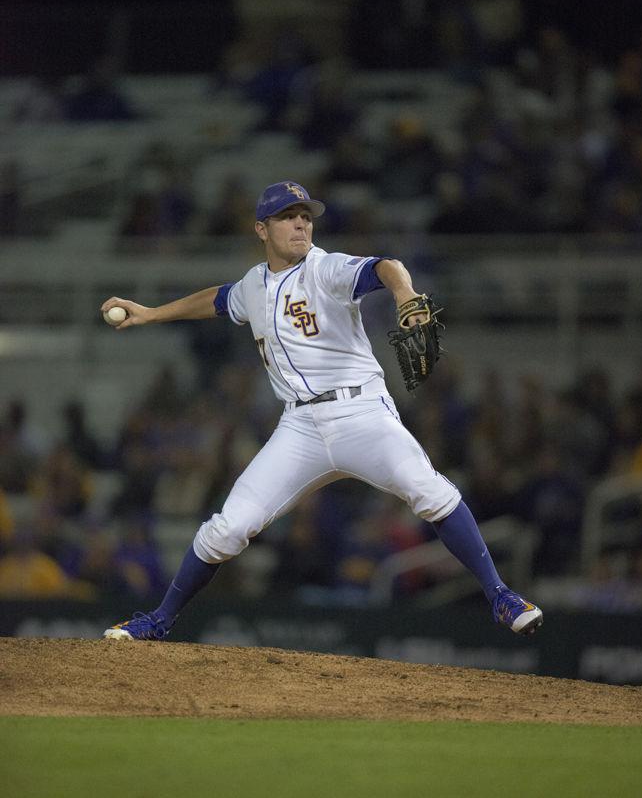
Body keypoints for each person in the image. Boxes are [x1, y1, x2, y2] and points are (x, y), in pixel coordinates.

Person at [102, 180, 543, 641]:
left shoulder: (326, 269)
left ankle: (500, 596)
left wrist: (404, 294)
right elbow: (218, 299)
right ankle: (159, 619)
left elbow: (386, 267)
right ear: (261, 229)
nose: (300, 224)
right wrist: (150, 313)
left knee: (427, 490)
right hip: (300, 427)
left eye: (306, 216)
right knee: (227, 530)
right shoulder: (254, 285)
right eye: (288, 216)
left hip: (361, 414)